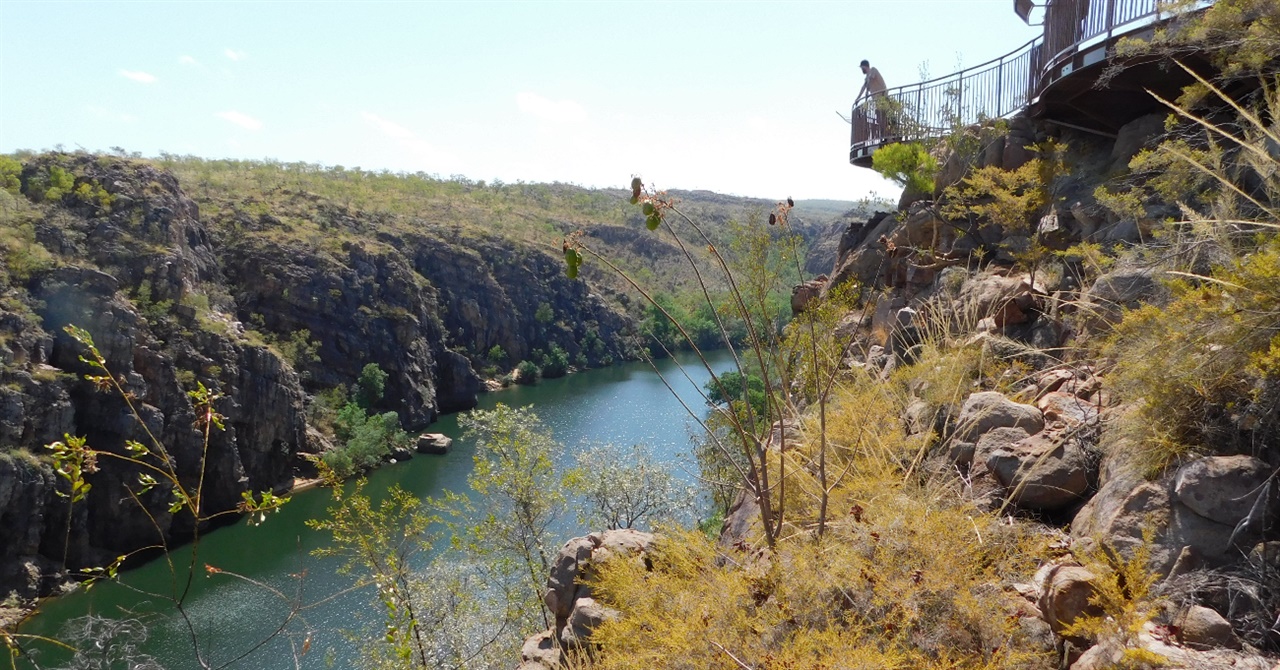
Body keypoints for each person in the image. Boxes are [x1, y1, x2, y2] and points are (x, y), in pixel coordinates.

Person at [855, 60, 889, 138]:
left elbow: (871, 79)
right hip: (877, 101)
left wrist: (867, 91)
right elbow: (864, 87)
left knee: (884, 118)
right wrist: (857, 99)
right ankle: (883, 136)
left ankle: (887, 135)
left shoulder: (873, 70)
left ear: (865, 66)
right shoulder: (867, 77)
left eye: (862, 67)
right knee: (879, 119)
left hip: (883, 98)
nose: (861, 69)